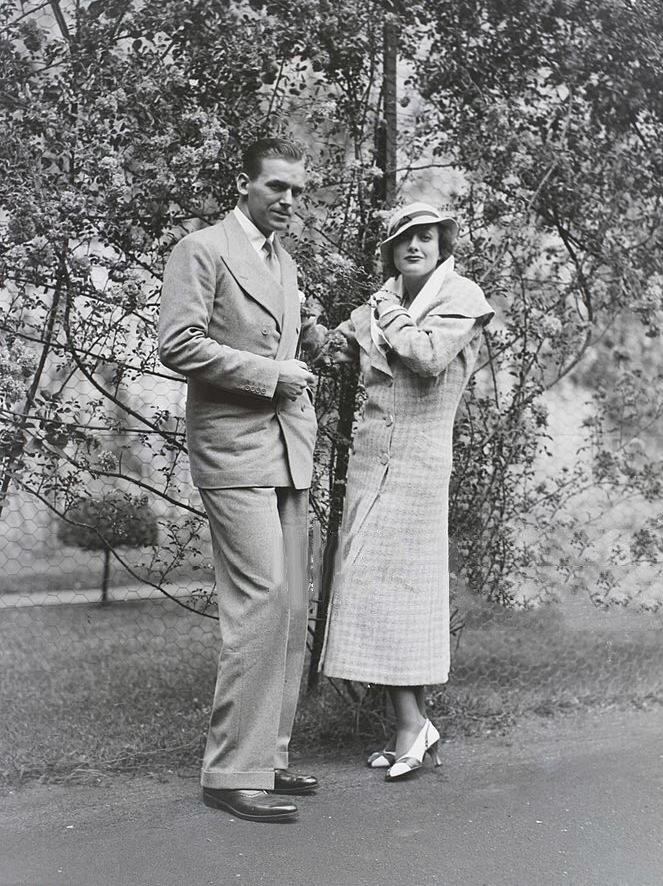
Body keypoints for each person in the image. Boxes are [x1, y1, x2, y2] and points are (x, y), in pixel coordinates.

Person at [158, 137, 319, 823]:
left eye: (298, 191)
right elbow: (179, 343)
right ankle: (228, 772)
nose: (288, 201)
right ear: (244, 183)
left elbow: (285, 330)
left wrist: (313, 335)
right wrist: (271, 373)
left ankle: (268, 758)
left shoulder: (281, 259)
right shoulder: (202, 248)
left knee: (290, 608)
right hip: (234, 451)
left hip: (287, 448)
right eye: (277, 187)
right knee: (259, 602)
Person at [320, 201, 494, 781]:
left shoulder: (460, 298)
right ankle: (413, 724)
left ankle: (410, 726)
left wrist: (387, 310)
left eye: (425, 236)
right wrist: (298, 316)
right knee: (369, 591)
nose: (414, 245)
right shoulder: (378, 306)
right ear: (391, 250)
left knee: (403, 595)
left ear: (442, 243)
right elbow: (335, 353)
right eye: (403, 238)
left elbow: (426, 358)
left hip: (419, 471)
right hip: (372, 467)